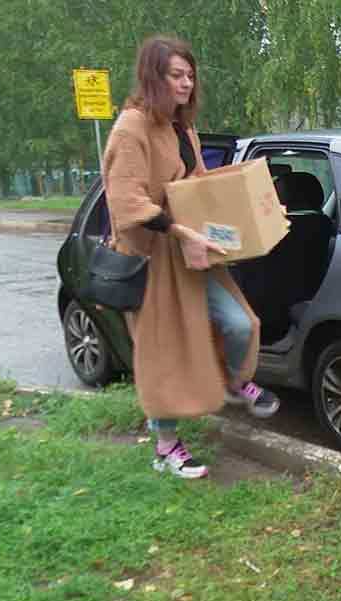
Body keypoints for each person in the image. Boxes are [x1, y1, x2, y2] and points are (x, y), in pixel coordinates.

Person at [102, 36, 280, 479]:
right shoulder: (131, 128)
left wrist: (241, 209)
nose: (186, 83)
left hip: (193, 255)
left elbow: (197, 186)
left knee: (241, 324)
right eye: (176, 75)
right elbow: (126, 202)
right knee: (164, 355)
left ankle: (236, 382)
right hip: (156, 258)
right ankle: (165, 448)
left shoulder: (183, 127)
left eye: (190, 75)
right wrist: (180, 232)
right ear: (152, 77)